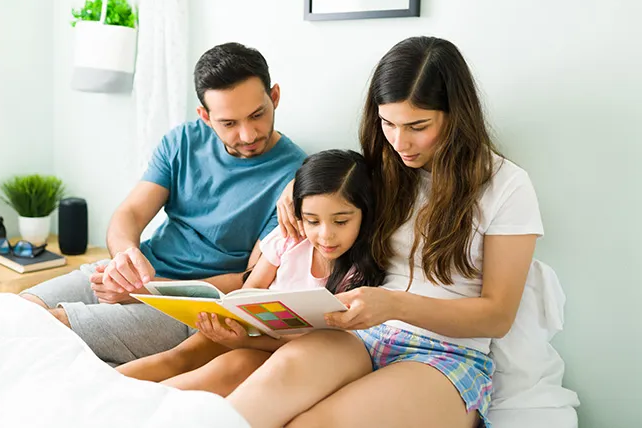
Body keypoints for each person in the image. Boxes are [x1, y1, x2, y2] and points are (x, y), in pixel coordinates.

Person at [226, 37, 544, 428]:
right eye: (388, 124)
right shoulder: (383, 169)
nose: (400, 142)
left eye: (418, 126)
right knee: (244, 410)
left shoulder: (506, 186)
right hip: (359, 336)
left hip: (445, 356)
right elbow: (330, 184)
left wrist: (394, 305)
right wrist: (294, 188)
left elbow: (497, 316)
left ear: (456, 115)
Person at [20, 42, 307, 366]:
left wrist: (149, 290)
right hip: (142, 276)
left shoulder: (296, 180)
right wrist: (126, 259)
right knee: (17, 312)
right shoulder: (184, 140)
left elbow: (248, 280)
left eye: (258, 115)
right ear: (205, 117)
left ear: (275, 97)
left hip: (193, 307)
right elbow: (129, 213)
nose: (248, 134)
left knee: (48, 329)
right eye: (229, 123)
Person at [115, 150, 385, 396]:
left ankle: (135, 408)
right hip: (249, 329)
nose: (325, 234)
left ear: (365, 213)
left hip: (284, 351)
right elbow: (251, 289)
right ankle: (92, 393)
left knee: (233, 365)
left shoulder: (359, 275)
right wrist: (228, 319)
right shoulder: (290, 239)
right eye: (312, 221)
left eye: (341, 221)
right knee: (176, 358)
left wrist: (247, 341)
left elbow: (319, 343)